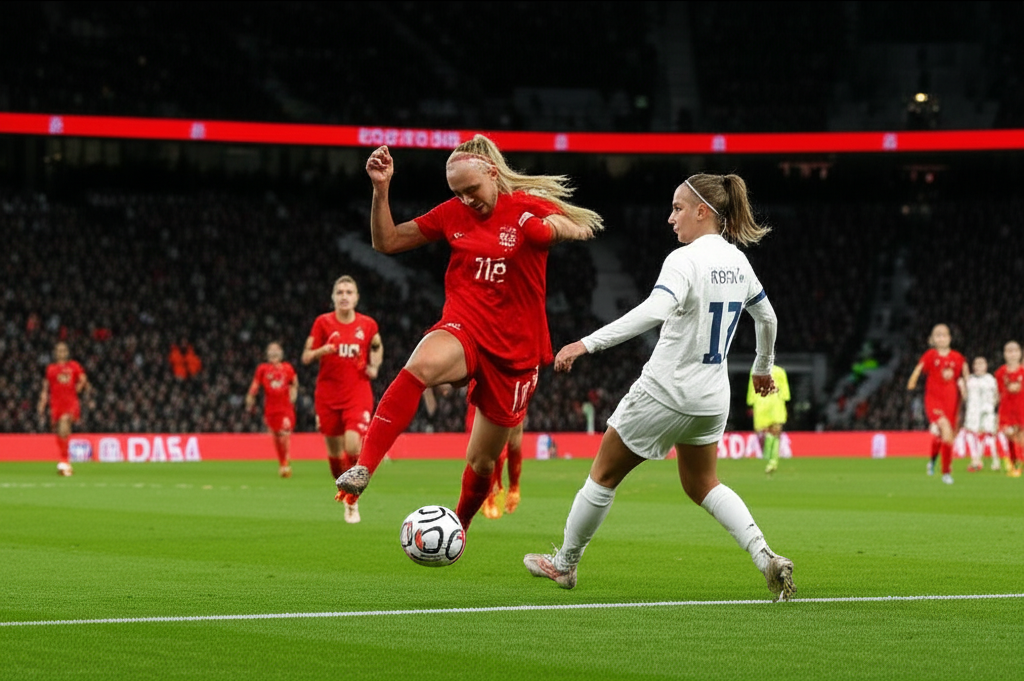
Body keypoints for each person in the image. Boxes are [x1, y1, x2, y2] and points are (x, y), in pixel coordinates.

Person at [522, 173, 796, 602]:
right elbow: (769, 319)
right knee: (703, 483)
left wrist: (586, 343)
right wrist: (763, 366)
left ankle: (565, 564)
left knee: (603, 475)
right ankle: (766, 558)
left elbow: (654, 310)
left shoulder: (683, 260)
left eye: (678, 208)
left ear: (703, 211)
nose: (671, 218)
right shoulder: (739, 262)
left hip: (664, 391)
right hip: (711, 398)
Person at [335, 136, 602, 535]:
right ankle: (364, 467)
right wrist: (381, 189)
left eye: (471, 190)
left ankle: (458, 525)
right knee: (420, 365)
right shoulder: (453, 212)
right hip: (466, 326)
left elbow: (581, 225)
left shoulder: (526, 205)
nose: (466, 199)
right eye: (457, 193)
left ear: (492, 174)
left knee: (480, 461)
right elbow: (386, 241)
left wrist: (548, 229)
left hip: (515, 351)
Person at [303, 275, 384, 522]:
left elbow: (377, 346)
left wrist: (374, 366)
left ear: (357, 297)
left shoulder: (368, 324)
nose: (345, 296)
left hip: (357, 394)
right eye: (340, 292)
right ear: (333, 297)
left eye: (349, 292)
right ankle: (344, 489)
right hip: (327, 396)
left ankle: (352, 501)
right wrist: (322, 350)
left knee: (352, 445)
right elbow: (306, 356)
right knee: (335, 456)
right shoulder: (322, 323)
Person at [906, 324, 968, 484]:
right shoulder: (930, 355)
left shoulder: (957, 357)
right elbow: (919, 368)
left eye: (944, 335)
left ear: (950, 338)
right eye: (937, 335)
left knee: (944, 437)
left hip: (952, 401)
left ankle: (932, 462)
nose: (941, 338)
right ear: (932, 340)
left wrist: (966, 391)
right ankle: (946, 472)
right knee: (946, 430)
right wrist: (912, 380)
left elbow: (964, 376)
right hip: (934, 400)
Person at [245, 341, 299, 477]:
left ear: (281, 353)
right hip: (270, 409)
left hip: (286, 408)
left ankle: (285, 459)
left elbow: (294, 383)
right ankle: (283, 463)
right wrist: (251, 397)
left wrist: (293, 392)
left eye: (276, 350)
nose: (274, 352)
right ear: (267, 354)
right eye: (271, 350)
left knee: (285, 433)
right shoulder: (262, 369)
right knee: (276, 436)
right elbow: (255, 384)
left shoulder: (287, 368)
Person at [37, 342, 90, 476]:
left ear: (67, 352)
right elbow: (46, 388)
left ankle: (64, 460)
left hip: (70, 404)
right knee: (61, 433)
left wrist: (76, 390)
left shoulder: (73, 366)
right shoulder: (51, 369)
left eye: (63, 350)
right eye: (59, 350)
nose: (61, 352)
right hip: (56, 405)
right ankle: (64, 462)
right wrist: (42, 403)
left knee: (64, 424)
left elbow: (83, 379)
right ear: (55, 353)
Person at [747, 364, 790, 475]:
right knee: (775, 433)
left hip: (761, 403)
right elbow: (785, 393)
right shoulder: (780, 371)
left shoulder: (755, 369)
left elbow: (751, 389)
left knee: (765, 433)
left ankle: (770, 459)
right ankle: (772, 460)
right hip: (776, 404)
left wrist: (751, 402)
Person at [962, 356, 999, 472]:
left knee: (989, 435)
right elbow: (965, 396)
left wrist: (992, 407)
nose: (978, 366)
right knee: (971, 434)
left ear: (986, 366)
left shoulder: (991, 379)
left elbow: (997, 394)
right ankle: (975, 460)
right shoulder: (970, 380)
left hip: (987, 410)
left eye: (981, 364)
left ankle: (995, 461)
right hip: (973, 411)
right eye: (976, 364)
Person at [994, 340, 1024, 477]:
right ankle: (1013, 464)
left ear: (1020, 353)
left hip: (1021, 408)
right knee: (1009, 434)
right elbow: (999, 394)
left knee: (1021, 438)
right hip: (1006, 410)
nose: (1012, 354)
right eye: (1009, 351)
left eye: (1015, 351)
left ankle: (1016, 465)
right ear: (1005, 354)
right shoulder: (1000, 373)